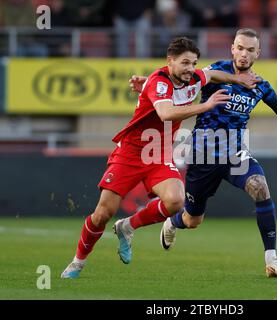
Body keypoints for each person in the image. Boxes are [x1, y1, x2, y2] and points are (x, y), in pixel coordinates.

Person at [130, 29, 277, 277]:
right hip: (203, 156)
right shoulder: (215, 73)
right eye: (240, 48)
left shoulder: (260, 86)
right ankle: (174, 221)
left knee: (259, 186)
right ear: (232, 48)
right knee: (193, 220)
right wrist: (147, 84)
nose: (244, 54)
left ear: (258, 53)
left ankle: (272, 259)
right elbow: (178, 79)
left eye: (250, 50)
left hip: (235, 155)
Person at [61, 37, 258, 279]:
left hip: (159, 152)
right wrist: (206, 106)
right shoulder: (159, 81)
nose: (190, 68)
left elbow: (213, 74)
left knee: (176, 201)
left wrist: (236, 78)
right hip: (131, 152)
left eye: (193, 63)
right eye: (185, 63)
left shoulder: (194, 77)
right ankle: (77, 263)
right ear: (170, 61)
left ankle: (127, 226)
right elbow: (165, 113)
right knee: (103, 213)